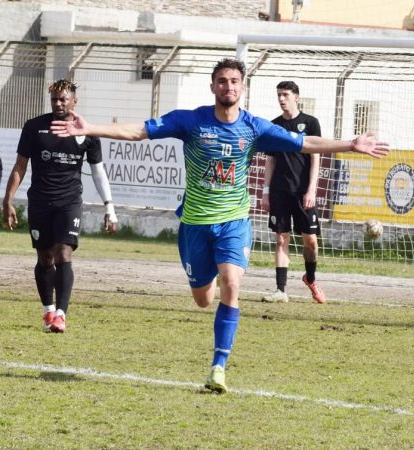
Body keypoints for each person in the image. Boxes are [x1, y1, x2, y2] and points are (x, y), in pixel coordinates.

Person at [50, 58, 389, 393]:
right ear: (213, 86)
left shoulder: (254, 127)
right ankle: (207, 278)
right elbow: (139, 131)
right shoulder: (190, 121)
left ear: (243, 87)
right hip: (195, 225)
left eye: (234, 81)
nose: (229, 86)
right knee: (203, 299)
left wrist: (350, 144)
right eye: (223, 81)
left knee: (232, 283)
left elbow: (305, 144)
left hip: (233, 222)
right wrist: (90, 128)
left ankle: (218, 367)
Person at [3, 79, 118, 334]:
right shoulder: (34, 127)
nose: (58, 103)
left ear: (74, 101)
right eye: (54, 99)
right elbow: (20, 166)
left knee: (63, 253)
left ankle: (61, 315)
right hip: (40, 202)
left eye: (63, 99)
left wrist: (109, 207)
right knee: (45, 257)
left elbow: (98, 172)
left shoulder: (86, 131)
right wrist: (8, 200)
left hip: (69, 202)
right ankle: (48, 310)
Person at [261, 81, 325, 304]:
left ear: (296, 97)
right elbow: (270, 161)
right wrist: (266, 192)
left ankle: (310, 278)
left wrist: (311, 190)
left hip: (302, 192)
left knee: (310, 241)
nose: (281, 99)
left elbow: (315, 158)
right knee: (281, 239)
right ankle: (281, 290)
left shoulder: (311, 123)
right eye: (279, 95)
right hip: (279, 191)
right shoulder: (274, 126)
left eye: (285, 94)